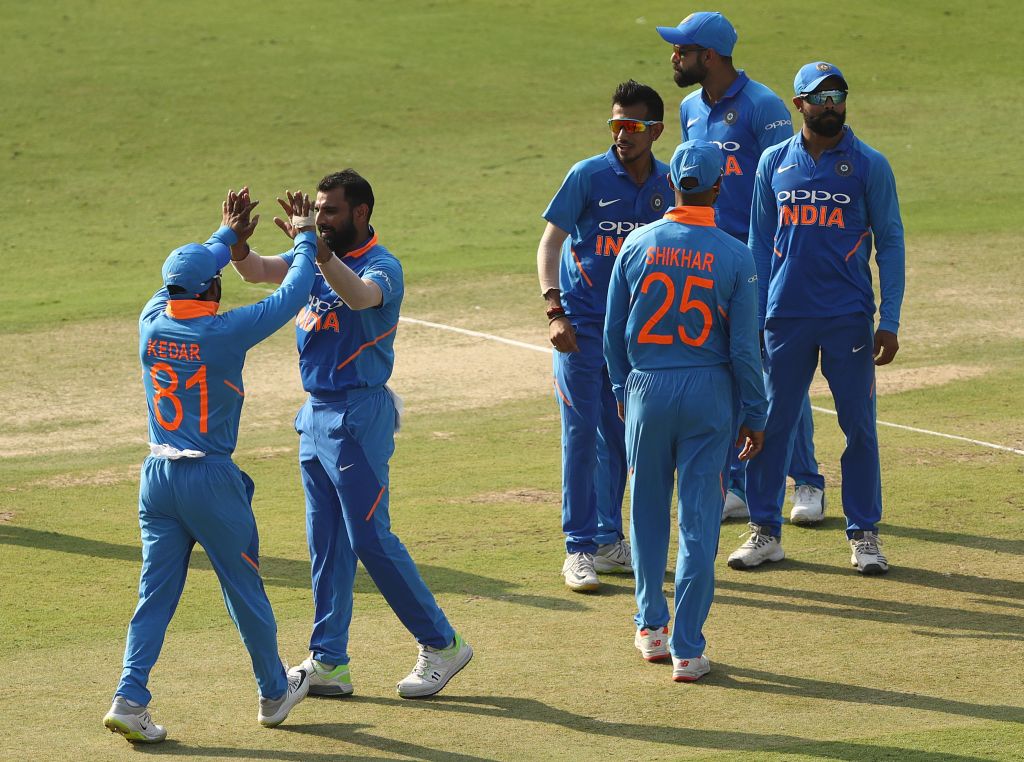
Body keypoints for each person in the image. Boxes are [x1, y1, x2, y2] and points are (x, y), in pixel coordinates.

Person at [230, 170, 472, 699]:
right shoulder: (315, 254)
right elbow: (255, 272)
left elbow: (361, 298)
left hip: (358, 414)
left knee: (369, 538)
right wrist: (239, 245)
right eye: (317, 211)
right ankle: (329, 661)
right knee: (327, 544)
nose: (320, 220)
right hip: (315, 415)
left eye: (331, 211)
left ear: (361, 213)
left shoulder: (383, 266)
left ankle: (443, 644)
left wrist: (316, 253)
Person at [103, 189, 317, 744]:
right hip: (211, 482)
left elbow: (179, 281)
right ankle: (274, 692)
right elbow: (295, 292)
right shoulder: (223, 332)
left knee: (155, 594)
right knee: (244, 588)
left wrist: (224, 239)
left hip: (157, 478)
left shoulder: (152, 320)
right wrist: (304, 237)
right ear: (214, 290)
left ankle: (129, 697)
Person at [729, 61, 905, 574]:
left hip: (848, 315)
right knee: (769, 425)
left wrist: (889, 318)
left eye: (838, 96)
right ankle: (764, 530)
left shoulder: (870, 164)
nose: (831, 106)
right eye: (820, 98)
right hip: (785, 316)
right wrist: (755, 315)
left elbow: (890, 242)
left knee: (860, 428)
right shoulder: (772, 163)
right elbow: (759, 244)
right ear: (798, 103)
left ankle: (864, 534)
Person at [604, 140, 767, 682]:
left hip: (647, 387)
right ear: (718, 187)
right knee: (698, 525)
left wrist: (625, 389)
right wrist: (756, 414)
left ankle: (650, 627)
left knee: (646, 513)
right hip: (709, 392)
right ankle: (688, 649)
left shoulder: (636, 244)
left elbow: (611, 334)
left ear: (673, 182)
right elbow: (746, 349)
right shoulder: (735, 254)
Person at [657, 10, 825, 523]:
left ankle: (806, 483)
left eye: (682, 51)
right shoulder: (689, 107)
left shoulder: (763, 106)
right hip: (705, 262)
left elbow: (785, 183)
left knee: (774, 375)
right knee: (722, 374)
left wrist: (765, 264)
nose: (674, 57)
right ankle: (734, 485)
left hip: (755, 262)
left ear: (709, 55)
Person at [537, 80, 672, 592]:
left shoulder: (667, 183)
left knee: (619, 438)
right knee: (579, 435)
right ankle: (578, 549)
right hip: (580, 327)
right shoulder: (588, 175)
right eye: (615, 124)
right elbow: (549, 244)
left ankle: (610, 539)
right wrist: (555, 309)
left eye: (632, 126)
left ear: (655, 130)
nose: (622, 134)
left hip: (636, 337)